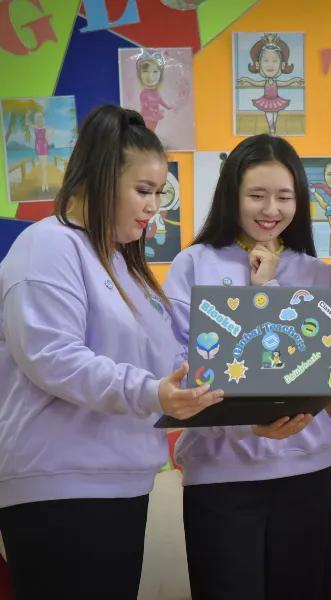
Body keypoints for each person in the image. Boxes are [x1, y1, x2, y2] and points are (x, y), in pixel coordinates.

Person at [0, 104, 223, 600]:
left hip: (123, 483)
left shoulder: (125, 267)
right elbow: (53, 357)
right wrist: (151, 392)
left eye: (158, 193)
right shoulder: (47, 245)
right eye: (143, 191)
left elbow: (168, 370)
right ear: (100, 178)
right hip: (59, 487)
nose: (153, 207)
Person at [165, 133, 331, 600]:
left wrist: (266, 288)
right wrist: (245, 424)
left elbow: (326, 361)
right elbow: (173, 360)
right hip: (220, 475)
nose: (271, 209)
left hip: (306, 473)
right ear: (232, 196)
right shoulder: (194, 264)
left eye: (284, 197)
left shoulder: (315, 271)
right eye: (257, 195)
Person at [236, 33, 304, 135]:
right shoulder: (265, 82)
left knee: (275, 114)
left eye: (275, 61)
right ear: (258, 64)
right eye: (266, 60)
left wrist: (296, 80)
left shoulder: (276, 82)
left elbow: (286, 83)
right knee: (268, 114)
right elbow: (254, 82)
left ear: (282, 65)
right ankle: (271, 127)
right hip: (266, 101)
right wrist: (245, 79)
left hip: (276, 101)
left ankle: (273, 127)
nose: (270, 65)